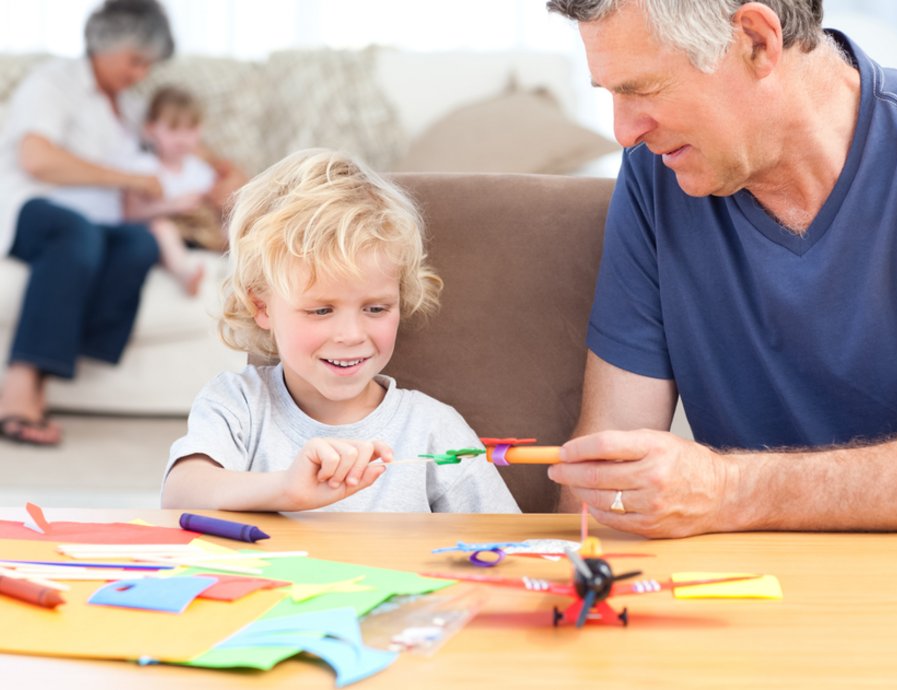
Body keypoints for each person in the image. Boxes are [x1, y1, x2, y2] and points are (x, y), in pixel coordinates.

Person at [544, 0, 897, 537]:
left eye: (642, 89)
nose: (624, 131)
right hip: (742, 599)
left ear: (755, 40)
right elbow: (606, 474)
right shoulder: (656, 175)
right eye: (610, 93)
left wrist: (732, 490)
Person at [161, 148, 520, 514]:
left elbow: (508, 545)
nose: (350, 335)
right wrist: (286, 489)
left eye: (376, 309)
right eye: (321, 310)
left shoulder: (433, 429)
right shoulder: (238, 405)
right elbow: (180, 494)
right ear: (261, 307)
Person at [0, 0, 174, 446]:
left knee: (139, 244)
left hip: (96, 226)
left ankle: (58, 357)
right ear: (104, 44)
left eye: (147, 65)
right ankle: (18, 390)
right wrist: (128, 178)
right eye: (134, 61)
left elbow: (175, 146)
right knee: (75, 233)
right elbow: (35, 158)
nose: (140, 74)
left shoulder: (130, 109)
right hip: (30, 207)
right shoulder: (53, 83)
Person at [124, 85, 222, 296]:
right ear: (151, 129)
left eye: (190, 130)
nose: (182, 139)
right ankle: (185, 273)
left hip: (200, 230)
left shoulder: (200, 169)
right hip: (168, 229)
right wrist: (172, 205)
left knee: (229, 228)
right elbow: (130, 214)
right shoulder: (143, 167)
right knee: (161, 228)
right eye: (173, 129)